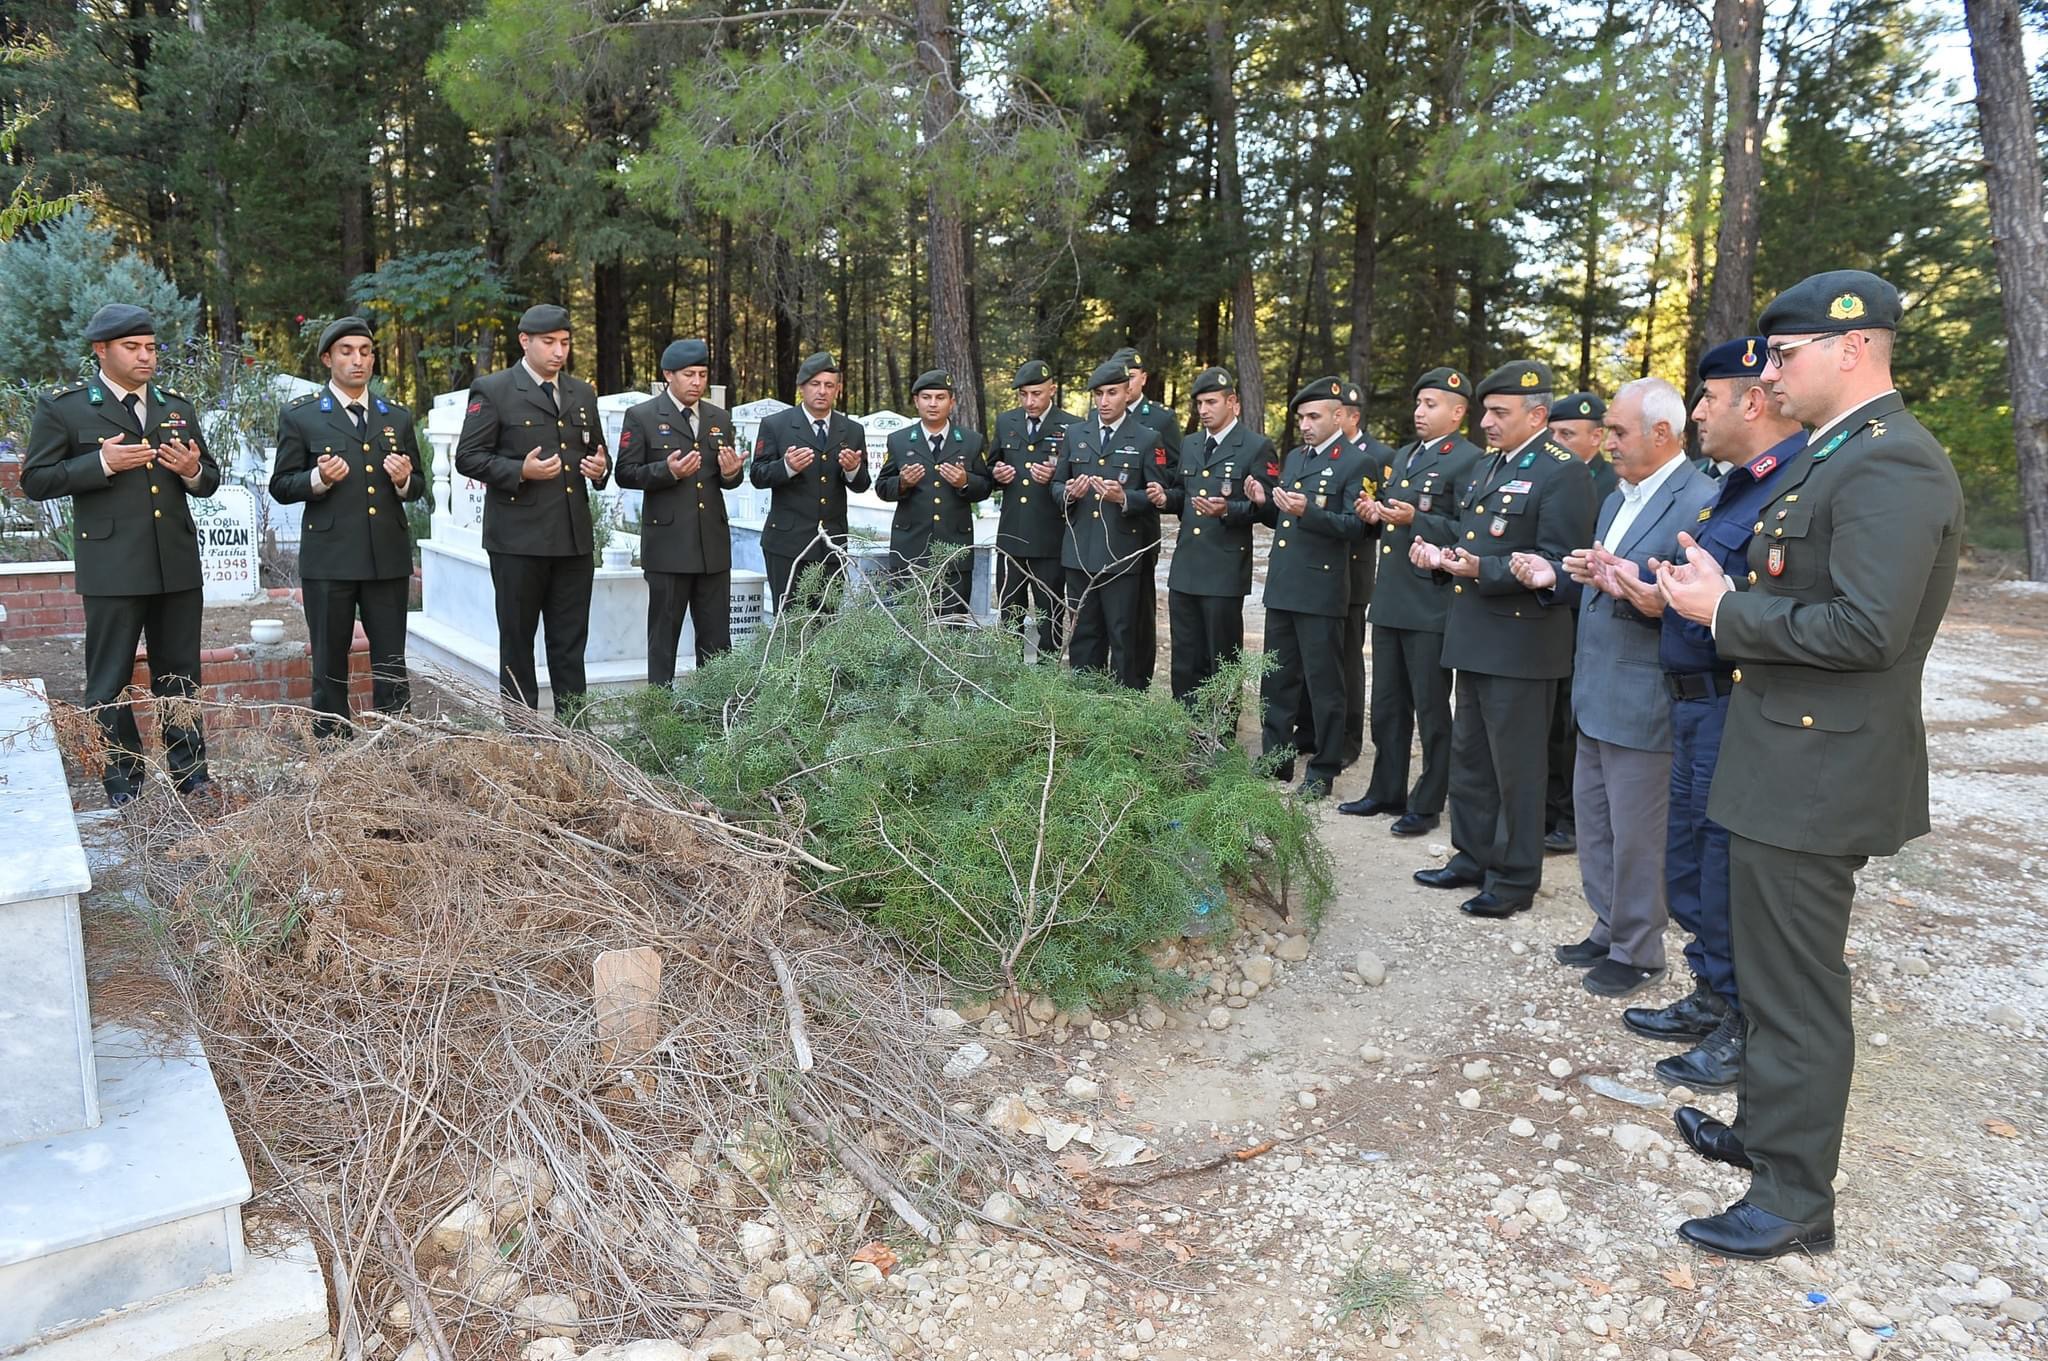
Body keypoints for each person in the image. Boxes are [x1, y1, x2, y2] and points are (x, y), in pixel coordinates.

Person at [1657, 270, 1962, 1260]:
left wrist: (1722, 611)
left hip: (1815, 769)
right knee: (1767, 969)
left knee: (1794, 990)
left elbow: (1867, 628)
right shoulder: (1831, 458)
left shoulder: (1889, 464)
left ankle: (1791, 1197)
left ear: (1852, 348)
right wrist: (1723, 588)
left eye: (1782, 355)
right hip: (1778, 754)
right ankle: (1765, 1134)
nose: (1770, 372)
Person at [1595, 336, 1803, 1092]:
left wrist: (1700, 607)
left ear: (1751, 400)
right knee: (1690, 866)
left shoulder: (1795, 483)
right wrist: (1659, 598)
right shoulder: (1737, 488)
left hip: (1731, 703)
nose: (1698, 412)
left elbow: (1771, 609)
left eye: (1709, 398)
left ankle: (1738, 1026)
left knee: (1724, 871)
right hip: (1689, 702)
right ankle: (1712, 993)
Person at [1515, 378, 1714, 998]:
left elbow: (1692, 604)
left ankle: (1639, 948)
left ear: (1662, 432)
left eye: (1619, 432)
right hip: (1598, 688)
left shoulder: (1699, 501)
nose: (1606, 443)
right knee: (1596, 822)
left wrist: (1636, 590)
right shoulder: (1616, 498)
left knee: (1639, 832)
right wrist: (1562, 575)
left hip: (1647, 694)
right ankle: (1607, 925)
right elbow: (1606, 581)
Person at [1411, 360, 1595, 918]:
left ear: (1537, 414)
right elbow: (1476, 539)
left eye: (1499, 412)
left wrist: (1480, 571)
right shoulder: (1491, 466)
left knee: (1516, 767)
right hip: (1475, 636)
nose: (1487, 422)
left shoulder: (1563, 472)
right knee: (1472, 759)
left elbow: (1560, 567)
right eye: (1486, 411)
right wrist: (1443, 562)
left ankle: (1514, 877)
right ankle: (1471, 855)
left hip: (1522, 645)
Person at [22, 303, 220, 805]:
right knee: (108, 679)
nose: (145, 356)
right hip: (112, 566)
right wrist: (100, 463)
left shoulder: (176, 407)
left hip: (175, 562)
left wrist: (192, 471)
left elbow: (208, 479)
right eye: (132, 347)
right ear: (101, 350)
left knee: (180, 675)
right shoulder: (66, 408)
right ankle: (124, 783)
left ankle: (191, 775)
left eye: (151, 347)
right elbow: (36, 480)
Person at [1340, 368, 1484, 835]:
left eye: (1431, 404)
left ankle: (1427, 801)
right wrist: (1375, 514)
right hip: (1393, 597)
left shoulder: (1469, 461)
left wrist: (1415, 519)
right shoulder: (1402, 456)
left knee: (1431, 708)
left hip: (1432, 602)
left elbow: (1468, 530)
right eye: (1418, 403)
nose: (1419, 412)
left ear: (1458, 412)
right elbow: (1394, 517)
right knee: (1387, 704)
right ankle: (1386, 789)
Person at [269, 316, 426, 737]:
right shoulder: (302, 417)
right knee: (330, 662)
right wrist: (318, 479)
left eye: (365, 351)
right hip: (331, 559)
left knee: (391, 660)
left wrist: (403, 480)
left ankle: (395, 743)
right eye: (347, 351)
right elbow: (281, 485)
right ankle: (335, 750)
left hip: (386, 557)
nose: (358, 360)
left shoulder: (396, 416)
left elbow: (418, 485)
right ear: (327, 359)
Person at [454, 304, 610, 716]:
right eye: (549, 343)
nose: (559, 352)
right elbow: (468, 458)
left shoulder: (581, 392)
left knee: (571, 641)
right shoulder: (495, 389)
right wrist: (518, 470)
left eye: (564, 343)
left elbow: (595, 452)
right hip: (518, 540)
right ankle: (524, 734)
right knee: (518, 641)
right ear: (525, 342)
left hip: (573, 537)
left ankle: (576, 728)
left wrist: (599, 469)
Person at [1248, 378, 1372, 799]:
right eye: (1301, 417)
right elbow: (1284, 520)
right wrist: (1264, 501)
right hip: (1284, 584)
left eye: (1313, 416)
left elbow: (1359, 527)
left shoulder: (1356, 463)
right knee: (1277, 679)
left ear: (1339, 416)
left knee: (1324, 684)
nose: (1304, 424)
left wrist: (1312, 511)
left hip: (1322, 589)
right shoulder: (1296, 459)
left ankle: (1323, 769)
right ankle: (1276, 757)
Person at [615, 338, 743, 684]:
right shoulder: (642, 416)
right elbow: (625, 473)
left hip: (712, 548)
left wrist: (732, 473)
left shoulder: (719, 418)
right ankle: (660, 712)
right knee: (663, 638)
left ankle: (716, 714)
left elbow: (726, 477)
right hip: (668, 547)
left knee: (717, 641)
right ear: (668, 375)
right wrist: (667, 472)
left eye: (702, 375)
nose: (697, 382)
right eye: (689, 375)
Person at [1054, 359, 1168, 689]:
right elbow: (1056, 485)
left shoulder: (1147, 438)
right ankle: (1086, 711)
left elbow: (1158, 496)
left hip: (1122, 556)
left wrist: (1125, 498)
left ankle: (1125, 712)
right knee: (1084, 638)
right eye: (1099, 394)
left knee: (1124, 638)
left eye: (1112, 393)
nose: (1104, 401)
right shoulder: (1076, 434)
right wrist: (1069, 493)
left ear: (1127, 393)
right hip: (1079, 553)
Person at [1162, 366, 1266, 707]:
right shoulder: (1191, 444)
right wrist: (1163, 498)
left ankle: (1220, 735)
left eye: (1211, 402)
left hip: (1223, 570)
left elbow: (1269, 510)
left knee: (1220, 659)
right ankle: (1185, 730)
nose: (1203, 410)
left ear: (1232, 402)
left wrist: (1229, 510)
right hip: (1186, 566)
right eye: (1199, 404)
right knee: (1185, 658)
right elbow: (1182, 494)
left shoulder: (1254, 447)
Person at [1540, 391, 1608, 852]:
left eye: (1568, 435)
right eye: (1554, 434)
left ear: (1597, 437)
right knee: (1551, 720)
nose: (1558, 443)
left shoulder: (1609, 481)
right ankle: (1549, 806)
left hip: (1592, 615)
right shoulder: (1552, 475)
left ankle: (1571, 816)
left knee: (1572, 721)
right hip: (1554, 612)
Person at [749, 352, 871, 608]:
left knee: (826, 621)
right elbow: (758, 475)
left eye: (829, 385)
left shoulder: (851, 430)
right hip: (787, 544)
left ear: (838, 389)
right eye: (815, 384)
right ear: (802, 387)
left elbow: (861, 484)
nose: (822, 391)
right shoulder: (776, 425)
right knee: (791, 622)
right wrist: (787, 467)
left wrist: (852, 469)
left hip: (832, 545)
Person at [878, 369, 990, 616]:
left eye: (940, 397)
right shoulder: (899, 440)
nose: (933, 403)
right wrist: (903, 483)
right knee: (909, 625)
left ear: (952, 402)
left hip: (954, 551)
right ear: (916, 401)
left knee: (951, 626)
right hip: (910, 551)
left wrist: (964, 481)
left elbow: (985, 487)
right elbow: (882, 488)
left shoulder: (971, 441)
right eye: (926, 397)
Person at [990, 361, 1073, 656]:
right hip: (1012, 534)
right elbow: (991, 466)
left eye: (1036, 394)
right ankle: (1011, 673)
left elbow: (1076, 479)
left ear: (1052, 390)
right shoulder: (1006, 422)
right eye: (1024, 394)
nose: (1030, 401)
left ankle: (1046, 672)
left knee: (1049, 612)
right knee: (1010, 609)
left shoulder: (1071, 426)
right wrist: (996, 475)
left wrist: (1057, 476)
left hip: (1049, 536)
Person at [1110, 347, 1180, 686]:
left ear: (1142, 379)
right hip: (1106, 528)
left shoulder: (1161, 420)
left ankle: (1139, 680)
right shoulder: (1100, 416)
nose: (1124, 383)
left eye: (1131, 377)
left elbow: (1174, 473)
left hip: (1141, 528)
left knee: (1139, 610)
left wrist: (1152, 493)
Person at [1331, 381, 1389, 766]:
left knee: (1349, 655)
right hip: (1318, 570)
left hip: (1352, 570)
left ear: (1353, 417)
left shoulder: (1379, 456)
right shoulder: (1319, 454)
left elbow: (1376, 519)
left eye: (1338, 413)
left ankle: (1349, 737)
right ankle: (1316, 729)